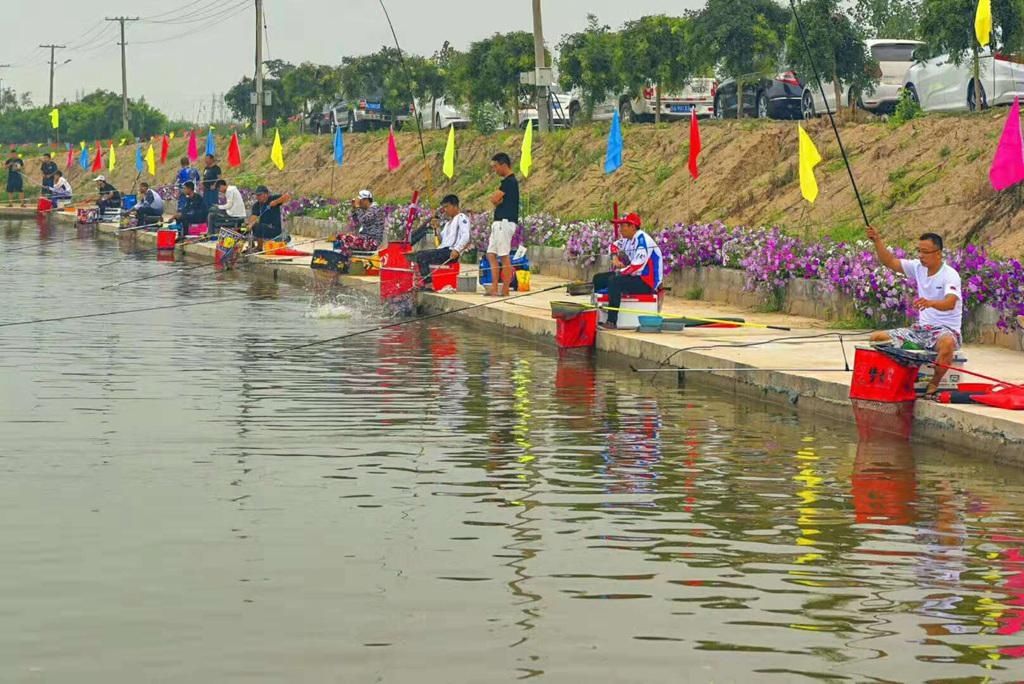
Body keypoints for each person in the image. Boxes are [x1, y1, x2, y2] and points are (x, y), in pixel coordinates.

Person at [867, 227, 963, 399]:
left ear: (938, 253)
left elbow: (950, 303)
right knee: (877, 338)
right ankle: (901, 375)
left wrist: (930, 303)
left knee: (947, 343)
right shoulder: (917, 267)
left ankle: (933, 383)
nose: (921, 255)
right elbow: (890, 262)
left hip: (945, 331)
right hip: (921, 331)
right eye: (919, 251)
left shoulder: (950, 275)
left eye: (925, 252)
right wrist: (877, 241)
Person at [592, 212, 663, 330]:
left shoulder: (642, 240)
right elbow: (613, 246)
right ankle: (599, 316)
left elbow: (637, 266)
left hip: (646, 282)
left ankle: (611, 321)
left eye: (622, 226)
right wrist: (615, 257)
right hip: (635, 277)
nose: (620, 229)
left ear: (632, 227)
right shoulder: (627, 240)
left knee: (615, 280)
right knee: (598, 278)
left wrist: (620, 271)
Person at [409, 194, 471, 285]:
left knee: (422, 256)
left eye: (447, 207)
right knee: (419, 255)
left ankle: (428, 284)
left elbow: (466, 236)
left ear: (455, 206)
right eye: (444, 207)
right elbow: (442, 240)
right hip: (443, 250)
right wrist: (436, 228)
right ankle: (424, 281)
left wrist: (457, 250)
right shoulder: (448, 223)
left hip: (450, 252)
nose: (445, 210)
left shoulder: (461, 218)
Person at [486, 152, 519, 297]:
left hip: (504, 223)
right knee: (491, 254)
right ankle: (494, 287)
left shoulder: (509, 182)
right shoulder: (505, 183)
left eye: (496, 167)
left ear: (503, 165)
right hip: (498, 222)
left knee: (504, 256)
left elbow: (494, 199)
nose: (495, 170)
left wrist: (496, 199)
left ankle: (505, 288)